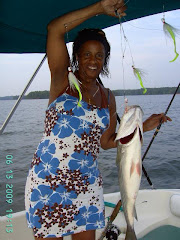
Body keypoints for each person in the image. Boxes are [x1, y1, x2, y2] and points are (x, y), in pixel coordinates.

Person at [25, 0, 171, 240]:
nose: (93, 61)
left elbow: (106, 141)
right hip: (49, 182)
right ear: (77, 57)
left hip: (87, 182)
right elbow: (55, 29)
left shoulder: (107, 97)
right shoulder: (62, 81)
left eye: (99, 55)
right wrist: (98, 9)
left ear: (105, 59)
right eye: (87, 55)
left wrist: (142, 127)